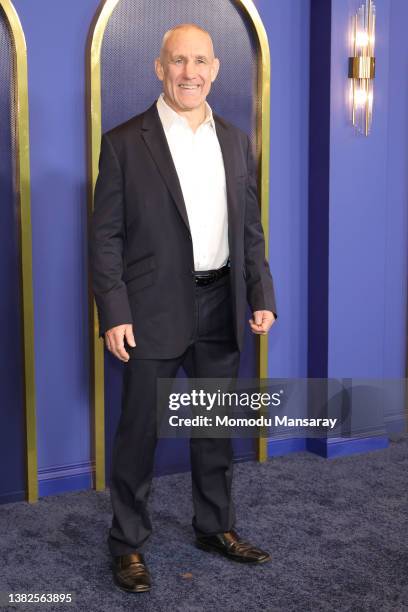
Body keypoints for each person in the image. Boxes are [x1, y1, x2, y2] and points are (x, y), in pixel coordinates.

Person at [90, 23, 277, 593]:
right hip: (149, 311)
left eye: (199, 61)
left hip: (222, 303)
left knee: (214, 428)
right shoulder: (124, 142)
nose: (189, 72)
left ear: (215, 68)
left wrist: (261, 291)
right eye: (178, 61)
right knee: (139, 433)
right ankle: (127, 545)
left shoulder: (237, 139)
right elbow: (106, 238)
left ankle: (214, 527)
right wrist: (115, 311)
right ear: (159, 67)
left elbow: (249, 228)